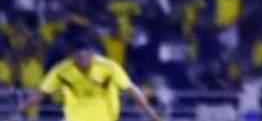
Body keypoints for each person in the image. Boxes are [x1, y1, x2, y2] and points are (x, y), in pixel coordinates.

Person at [8, 28, 161, 121]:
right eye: (78, 56)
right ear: (72, 55)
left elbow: (131, 89)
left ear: (91, 53)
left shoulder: (109, 68)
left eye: (85, 55)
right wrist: (19, 113)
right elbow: (41, 93)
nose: (82, 60)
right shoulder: (62, 70)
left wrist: (151, 114)